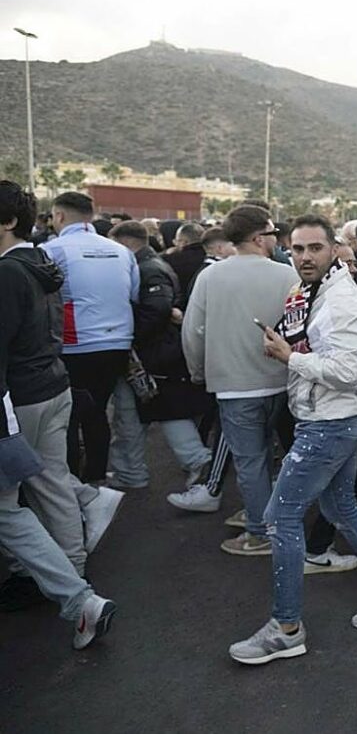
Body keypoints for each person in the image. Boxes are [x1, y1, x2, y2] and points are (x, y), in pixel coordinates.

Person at [229, 215, 357, 665]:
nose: (305, 256)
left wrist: (291, 358)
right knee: (339, 506)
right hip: (335, 419)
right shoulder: (319, 292)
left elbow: (349, 374)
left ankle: (286, 628)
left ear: (333, 249)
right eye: (297, 249)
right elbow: (341, 344)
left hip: (330, 422)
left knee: (281, 517)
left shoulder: (338, 299)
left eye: (314, 248)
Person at [0, 182, 122, 610]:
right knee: (50, 481)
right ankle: (72, 566)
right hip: (53, 384)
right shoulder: (40, 262)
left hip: (24, 394)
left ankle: (35, 573)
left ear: (10, 221)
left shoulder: (9, 271)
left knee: (14, 497)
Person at [179, 205, 298, 548]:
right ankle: (270, 517)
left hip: (233, 386)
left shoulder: (211, 276)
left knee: (251, 461)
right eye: (274, 233)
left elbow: (193, 332)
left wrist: (198, 372)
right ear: (259, 237)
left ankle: (260, 530)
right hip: (283, 379)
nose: (277, 239)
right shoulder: (285, 274)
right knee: (281, 455)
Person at [40, 191, 140, 484]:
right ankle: (96, 479)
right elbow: (132, 294)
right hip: (119, 343)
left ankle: (71, 482)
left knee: (69, 418)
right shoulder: (121, 251)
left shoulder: (52, 250)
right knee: (97, 413)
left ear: (58, 216)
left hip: (75, 345)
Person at [105, 222, 214, 491]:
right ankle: (134, 471)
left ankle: (191, 463)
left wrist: (128, 335)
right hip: (154, 354)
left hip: (151, 355)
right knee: (149, 413)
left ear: (125, 243)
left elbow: (158, 309)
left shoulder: (149, 269)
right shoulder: (149, 265)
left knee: (157, 412)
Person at [0, 399, 116, 650]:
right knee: (20, 509)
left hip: (21, 405)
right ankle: (79, 594)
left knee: (11, 514)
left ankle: (79, 597)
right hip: (15, 414)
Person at [162, 222, 207, 307]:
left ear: (184, 242)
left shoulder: (170, 260)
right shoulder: (212, 258)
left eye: (177, 241)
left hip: (180, 307)